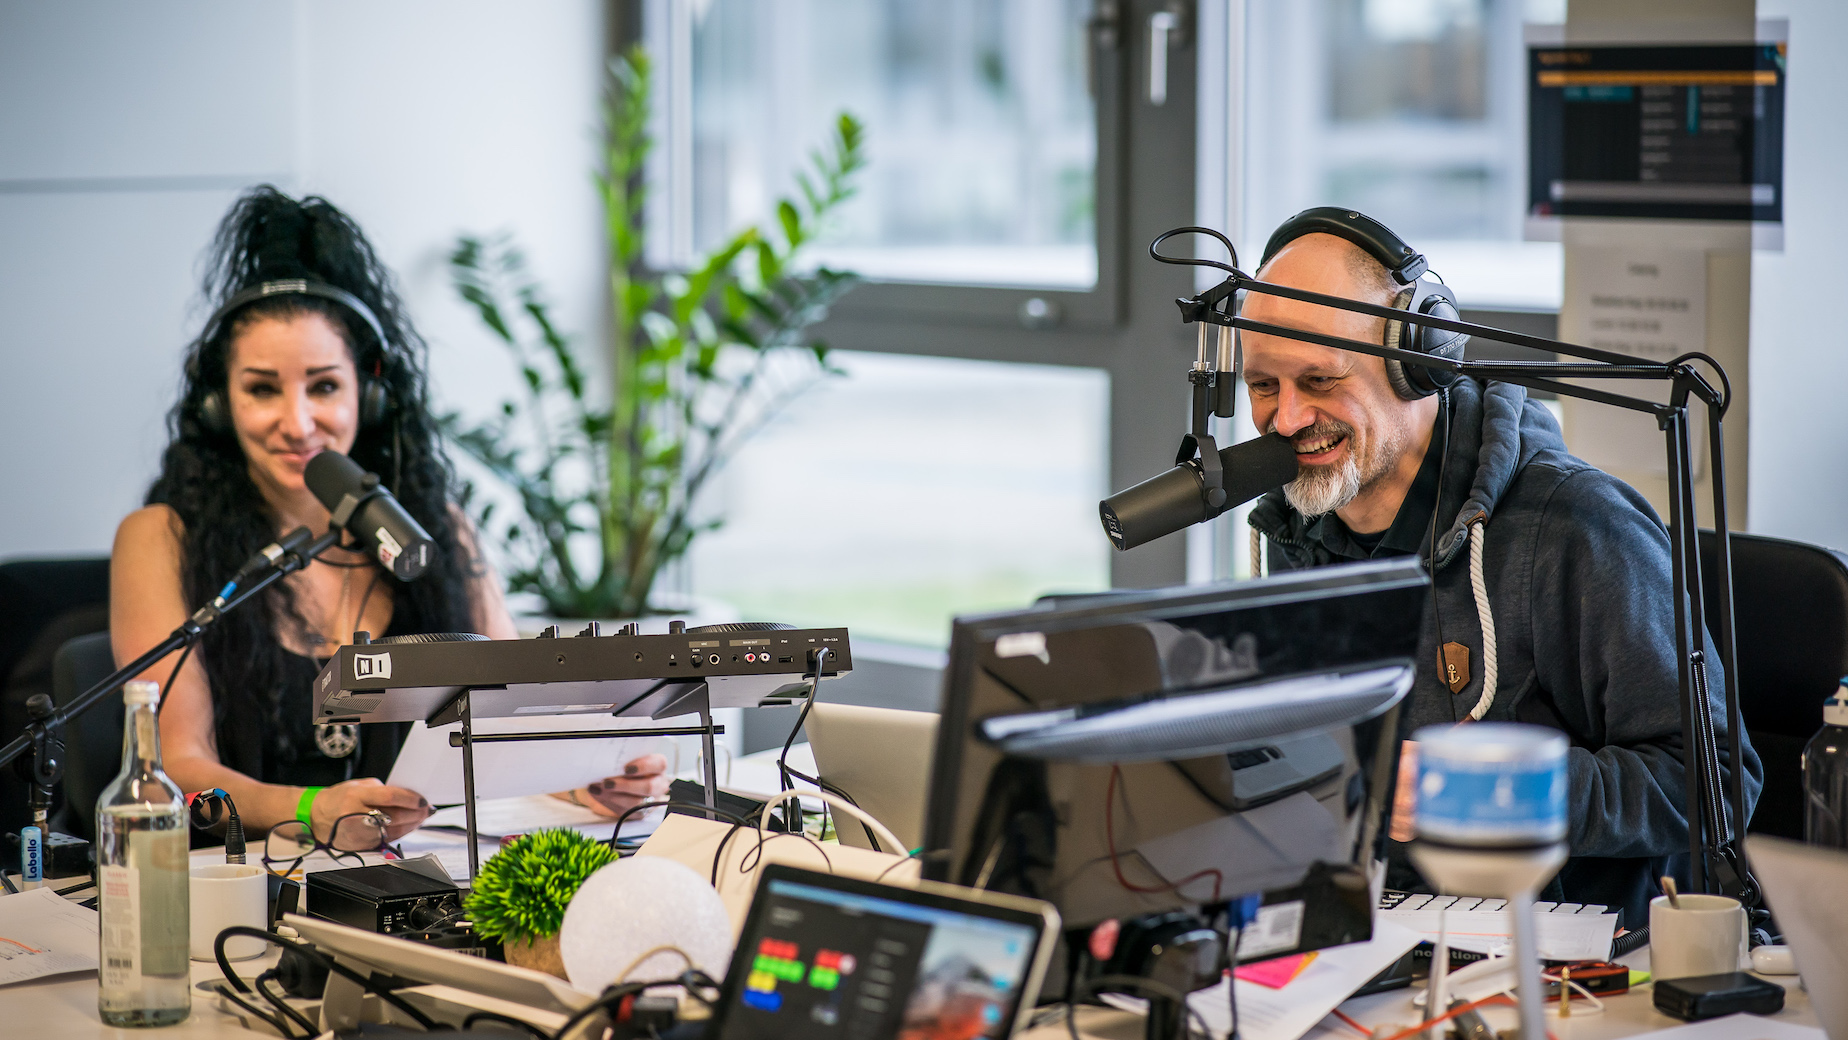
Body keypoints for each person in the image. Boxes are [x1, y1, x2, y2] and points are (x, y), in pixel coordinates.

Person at [1238, 208, 1761, 924]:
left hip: (1564, 974)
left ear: (1416, 361)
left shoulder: (1577, 527)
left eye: (1321, 381)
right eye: (1264, 386)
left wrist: (1499, 791)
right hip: (1370, 937)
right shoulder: (1298, 531)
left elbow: (1718, 783)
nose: (1288, 420)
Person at [111, 186, 668, 849]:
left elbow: (512, 722)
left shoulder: (437, 529)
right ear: (218, 405)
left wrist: (583, 779)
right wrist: (311, 807)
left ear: (368, 397)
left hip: (428, 881)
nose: (297, 423)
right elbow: (179, 766)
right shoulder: (160, 539)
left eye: (324, 386)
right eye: (262, 389)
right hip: (241, 884)